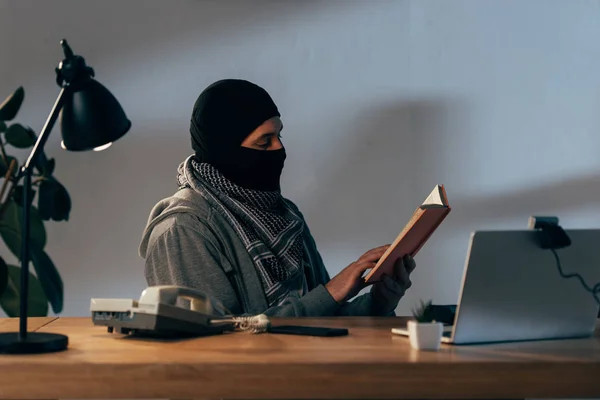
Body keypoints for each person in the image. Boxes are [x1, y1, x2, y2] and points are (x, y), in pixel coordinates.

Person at [139, 79, 416, 317]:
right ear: (224, 149)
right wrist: (330, 293)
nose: (279, 149)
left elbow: (324, 317)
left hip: (307, 373)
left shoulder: (285, 214)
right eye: (264, 142)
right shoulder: (182, 230)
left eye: (279, 135)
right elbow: (216, 341)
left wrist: (379, 301)